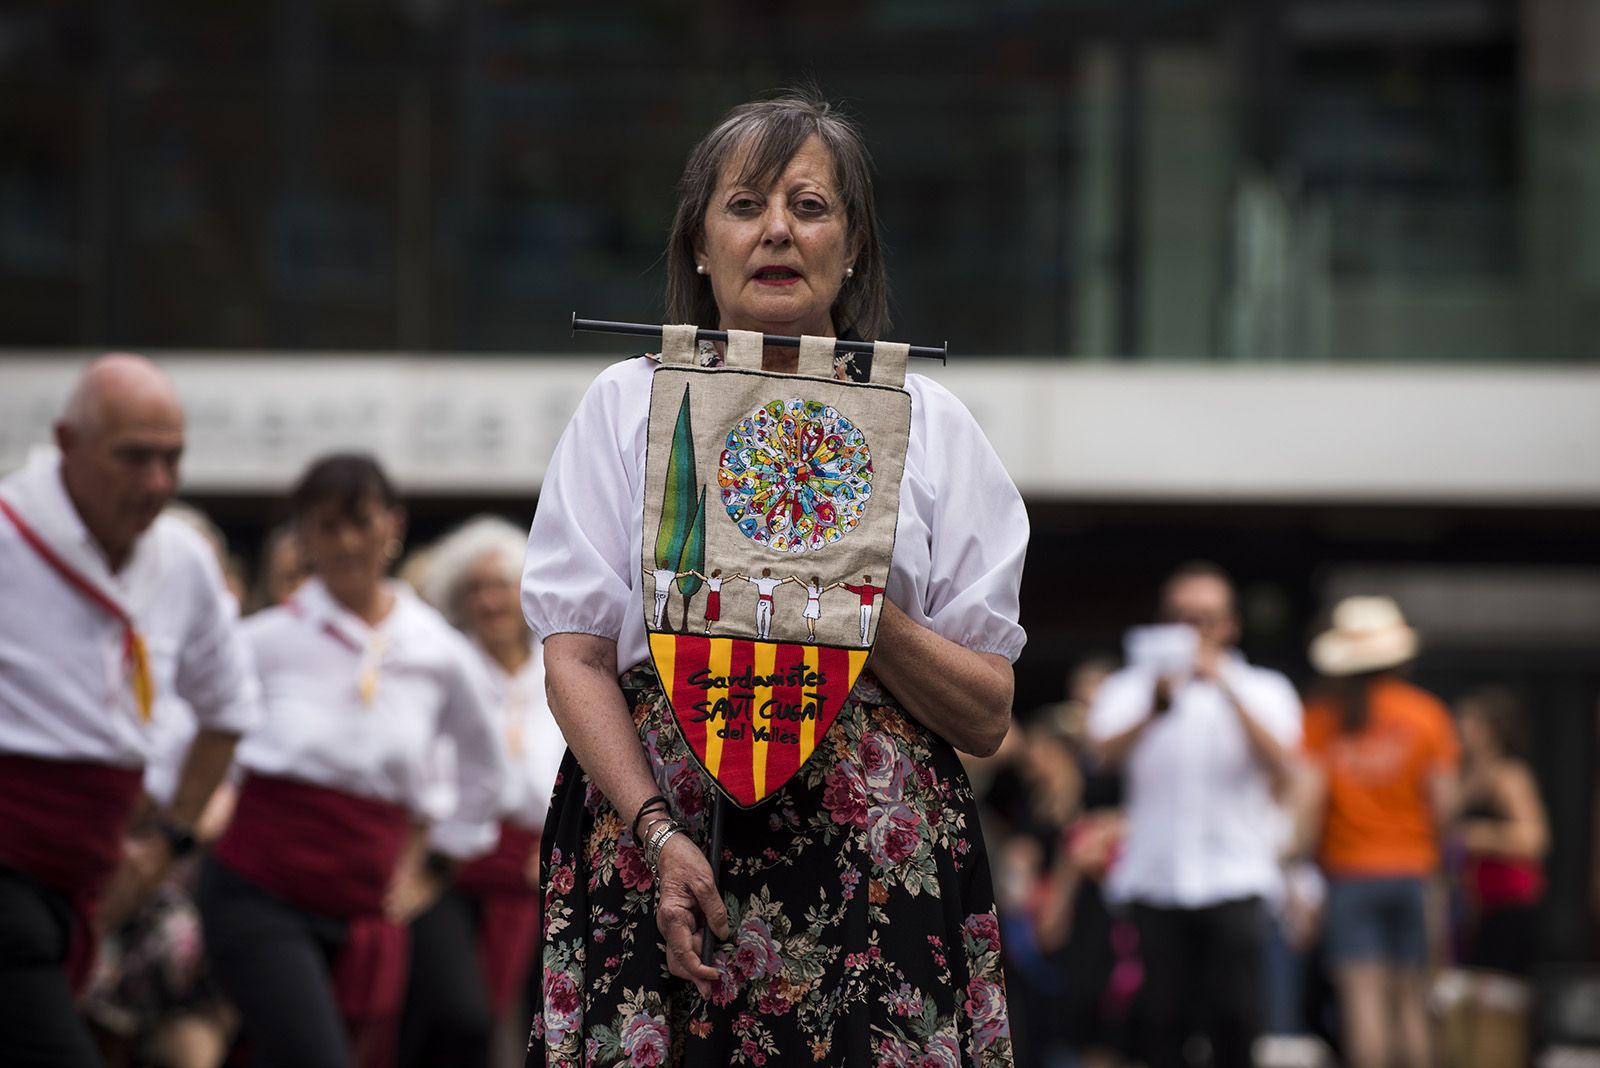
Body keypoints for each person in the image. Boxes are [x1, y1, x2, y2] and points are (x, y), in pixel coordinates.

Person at [522, 91, 1028, 1065]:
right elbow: (576, 656)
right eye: (745, 205)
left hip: (872, 867)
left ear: (854, 249)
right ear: (700, 246)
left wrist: (848, 601)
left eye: (811, 205)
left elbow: (985, 713)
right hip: (659, 836)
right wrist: (656, 832)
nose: (778, 230)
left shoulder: (934, 426)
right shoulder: (626, 404)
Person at [196, 453, 508, 1068]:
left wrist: (438, 865)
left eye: (358, 522)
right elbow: (191, 732)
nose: (343, 542)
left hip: (364, 897)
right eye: (325, 526)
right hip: (257, 889)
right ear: (305, 536)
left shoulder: (437, 651)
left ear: (392, 525)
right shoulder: (264, 639)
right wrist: (197, 808)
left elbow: (483, 766)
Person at [0, 353, 259, 1067]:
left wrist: (168, 841)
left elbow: (229, 707)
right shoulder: (8, 537)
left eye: (172, 459)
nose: (157, 483)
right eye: (133, 458)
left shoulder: (182, 557)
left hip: (96, 876)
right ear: (65, 444)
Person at [1087, 562, 1301, 1068]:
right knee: (1160, 1022)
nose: (1193, 631)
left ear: (1231, 626)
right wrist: (1154, 708)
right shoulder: (1130, 687)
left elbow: (1286, 766)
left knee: (1236, 1018)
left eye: (1206, 619)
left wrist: (1225, 688)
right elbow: (1102, 757)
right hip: (1156, 878)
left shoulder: (1265, 688)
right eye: (1182, 618)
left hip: (1236, 875)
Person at [402, 516, 568, 1068]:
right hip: (448, 863)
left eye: (500, 585)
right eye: (474, 588)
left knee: (543, 1024)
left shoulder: (559, 667)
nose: (490, 601)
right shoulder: (441, 667)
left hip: (538, 865)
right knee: (455, 1015)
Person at [1301, 595, 1457, 1068]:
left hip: (1349, 873)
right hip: (1413, 871)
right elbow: (1445, 808)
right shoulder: (1427, 714)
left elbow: (1307, 806)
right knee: (1411, 1000)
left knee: (1362, 1003)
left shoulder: (1320, 719)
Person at [1439, 685, 1548, 1068]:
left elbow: (1534, 838)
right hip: (1474, 905)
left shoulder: (1509, 776)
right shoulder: (1468, 775)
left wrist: (1477, 837)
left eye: (1469, 723)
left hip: (1509, 902)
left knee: (1503, 999)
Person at [841, 573, 888, 645]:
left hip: (863, 606)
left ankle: (863, 636)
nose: (862, 580)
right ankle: (864, 640)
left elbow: (853, 588)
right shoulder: (873, 588)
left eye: (863, 579)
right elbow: (882, 590)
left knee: (863, 620)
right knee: (866, 623)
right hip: (869, 606)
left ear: (864, 580)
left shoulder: (862, 588)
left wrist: (845, 585)